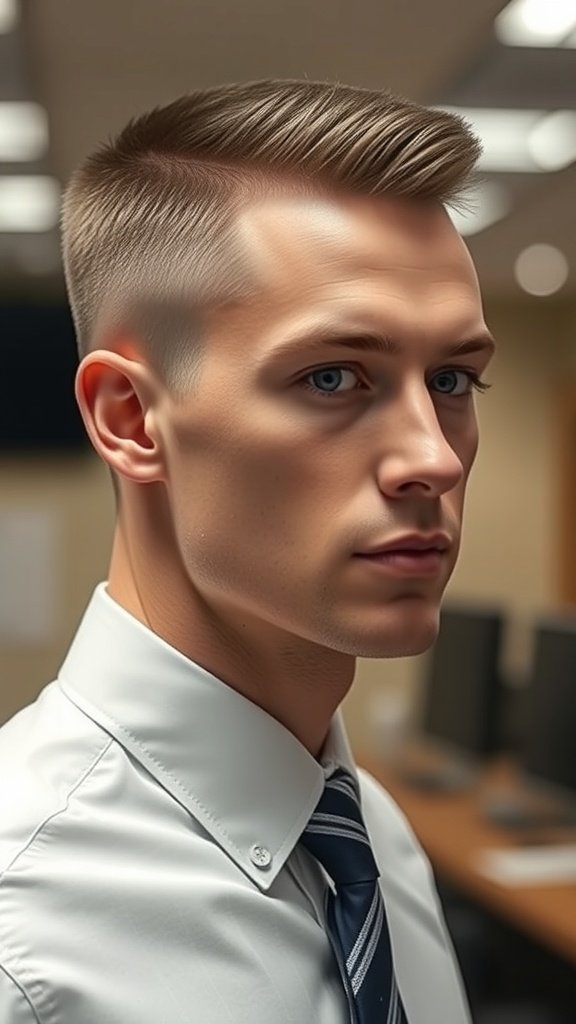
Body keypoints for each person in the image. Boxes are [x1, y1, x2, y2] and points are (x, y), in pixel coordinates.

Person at [0, 79, 494, 1023]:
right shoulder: (24, 934)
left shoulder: (370, 837)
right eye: (333, 375)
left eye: (452, 379)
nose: (433, 456)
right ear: (132, 418)